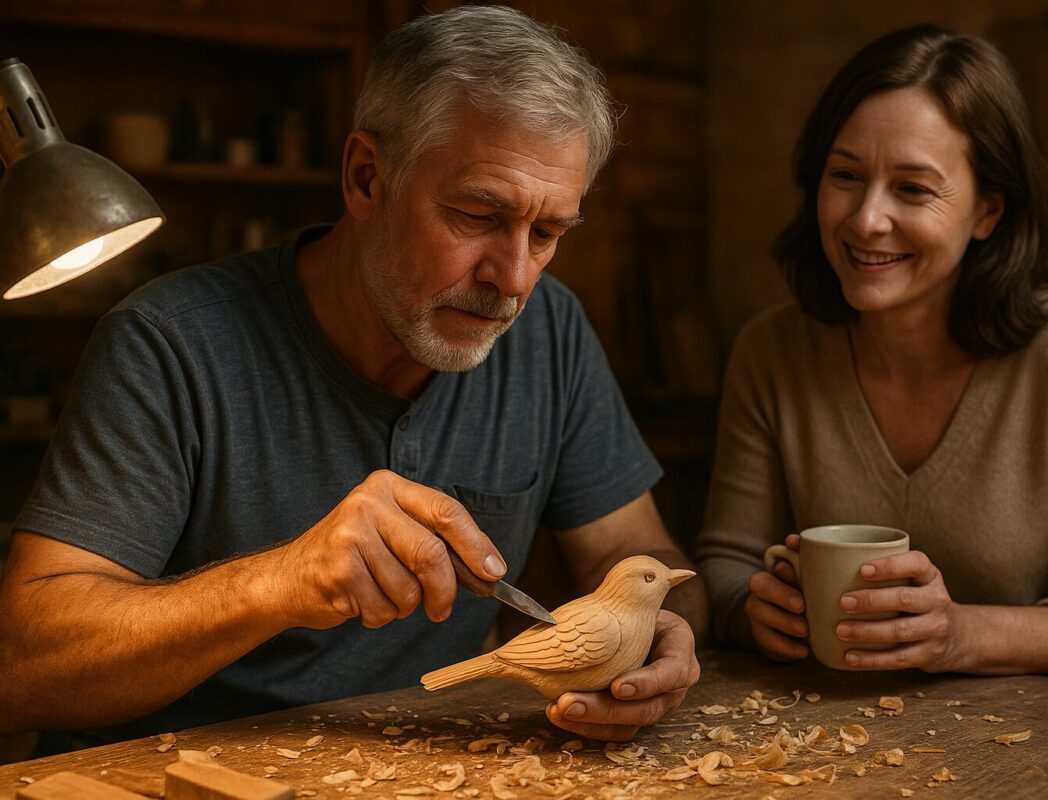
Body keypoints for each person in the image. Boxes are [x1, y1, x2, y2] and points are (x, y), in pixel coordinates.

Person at [0, 5, 705, 747]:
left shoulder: (549, 330)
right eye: (475, 214)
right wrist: (276, 584)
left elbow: (635, 550)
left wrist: (657, 632)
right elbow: (22, 670)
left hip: (438, 769)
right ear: (367, 177)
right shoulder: (171, 344)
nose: (514, 277)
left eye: (550, 232)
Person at [695, 24, 1048, 697]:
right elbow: (726, 563)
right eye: (845, 176)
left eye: (912, 188)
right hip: (845, 749)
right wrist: (753, 609)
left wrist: (960, 634)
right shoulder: (772, 352)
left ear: (988, 210)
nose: (866, 219)